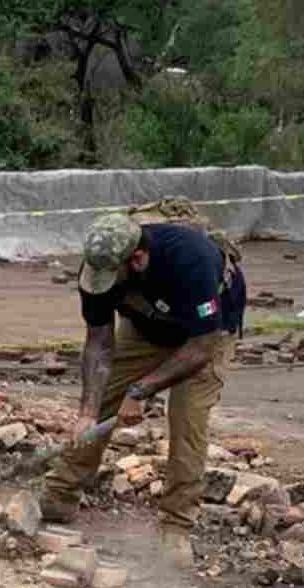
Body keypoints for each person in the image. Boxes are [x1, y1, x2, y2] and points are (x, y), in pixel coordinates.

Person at [39, 213, 246, 567]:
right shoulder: (97, 271)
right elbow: (99, 344)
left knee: (187, 421)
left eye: (112, 278)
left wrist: (140, 392)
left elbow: (200, 349)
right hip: (148, 326)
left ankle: (176, 527)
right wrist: (88, 412)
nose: (103, 284)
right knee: (103, 397)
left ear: (137, 260)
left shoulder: (190, 260)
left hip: (205, 335)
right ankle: (60, 493)